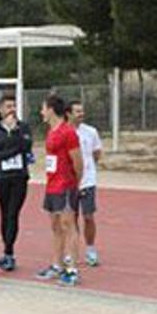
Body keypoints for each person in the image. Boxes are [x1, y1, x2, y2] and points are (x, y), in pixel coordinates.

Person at [36, 95, 83, 287]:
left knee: (68, 225)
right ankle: (56, 264)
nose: (41, 112)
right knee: (55, 226)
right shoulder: (51, 131)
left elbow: (78, 162)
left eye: (43, 108)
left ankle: (72, 269)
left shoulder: (68, 132)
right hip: (52, 185)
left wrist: (75, 183)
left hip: (65, 186)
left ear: (51, 110)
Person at [0, 94, 33, 271]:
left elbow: (26, 146)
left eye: (14, 106)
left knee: (13, 213)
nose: (11, 109)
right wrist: (13, 148)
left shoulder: (23, 127)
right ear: (1, 109)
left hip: (20, 176)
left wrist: (13, 134)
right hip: (2, 177)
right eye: (8, 106)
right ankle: (7, 251)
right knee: (4, 214)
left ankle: (9, 253)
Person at [69, 101, 103, 267]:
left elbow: (97, 153)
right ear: (68, 113)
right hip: (70, 182)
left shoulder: (91, 132)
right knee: (71, 217)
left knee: (88, 216)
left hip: (87, 181)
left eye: (82, 111)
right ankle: (72, 250)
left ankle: (90, 248)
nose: (81, 114)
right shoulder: (64, 132)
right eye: (77, 111)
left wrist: (88, 169)